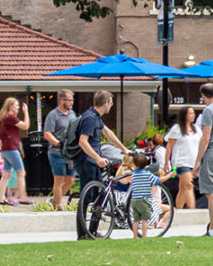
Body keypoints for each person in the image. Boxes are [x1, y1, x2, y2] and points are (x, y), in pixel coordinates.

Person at [72, 90, 124, 240]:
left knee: (100, 196)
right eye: (111, 103)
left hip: (90, 162)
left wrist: (124, 149)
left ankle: (91, 232)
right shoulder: (90, 118)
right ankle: (83, 234)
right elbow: (83, 141)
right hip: (86, 162)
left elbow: (108, 133)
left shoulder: (95, 117)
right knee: (87, 197)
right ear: (106, 102)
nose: (111, 106)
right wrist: (97, 158)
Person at [42, 90, 78, 210]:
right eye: (69, 100)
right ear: (62, 100)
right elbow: (47, 134)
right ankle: (58, 206)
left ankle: (54, 200)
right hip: (56, 152)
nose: (72, 102)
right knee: (59, 178)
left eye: (72, 100)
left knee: (70, 180)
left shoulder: (72, 114)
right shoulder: (53, 115)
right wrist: (58, 143)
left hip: (70, 152)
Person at [113, 151, 158, 238]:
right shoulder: (129, 172)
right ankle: (152, 222)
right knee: (151, 203)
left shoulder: (120, 170)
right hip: (124, 196)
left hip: (117, 195)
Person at [164, 106, 200, 211]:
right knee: (189, 185)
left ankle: (177, 211)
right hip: (180, 162)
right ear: (184, 115)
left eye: (193, 113)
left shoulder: (196, 129)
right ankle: (192, 212)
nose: (193, 115)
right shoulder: (177, 128)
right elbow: (169, 146)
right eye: (190, 113)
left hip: (193, 162)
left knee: (183, 188)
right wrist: (167, 163)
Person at [0, 98, 29, 205]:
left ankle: (1, 198)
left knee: (6, 174)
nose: (18, 107)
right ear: (10, 106)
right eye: (16, 105)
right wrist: (26, 112)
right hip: (11, 149)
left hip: (5, 149)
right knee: (21, 172)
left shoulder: (5, 118)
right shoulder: (10, 117)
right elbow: (26, 126)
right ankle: (22, 197)